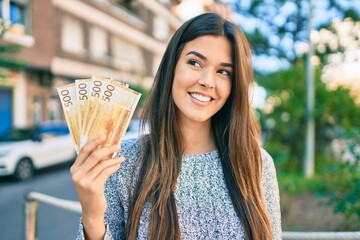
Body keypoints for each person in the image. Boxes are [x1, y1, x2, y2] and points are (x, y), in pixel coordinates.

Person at [72, 12, 281, 240]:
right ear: (172, 67)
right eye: (194, 63)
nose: (207, 81)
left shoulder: (257, 164)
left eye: (223, 72)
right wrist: (92, 216)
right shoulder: (123, 162)